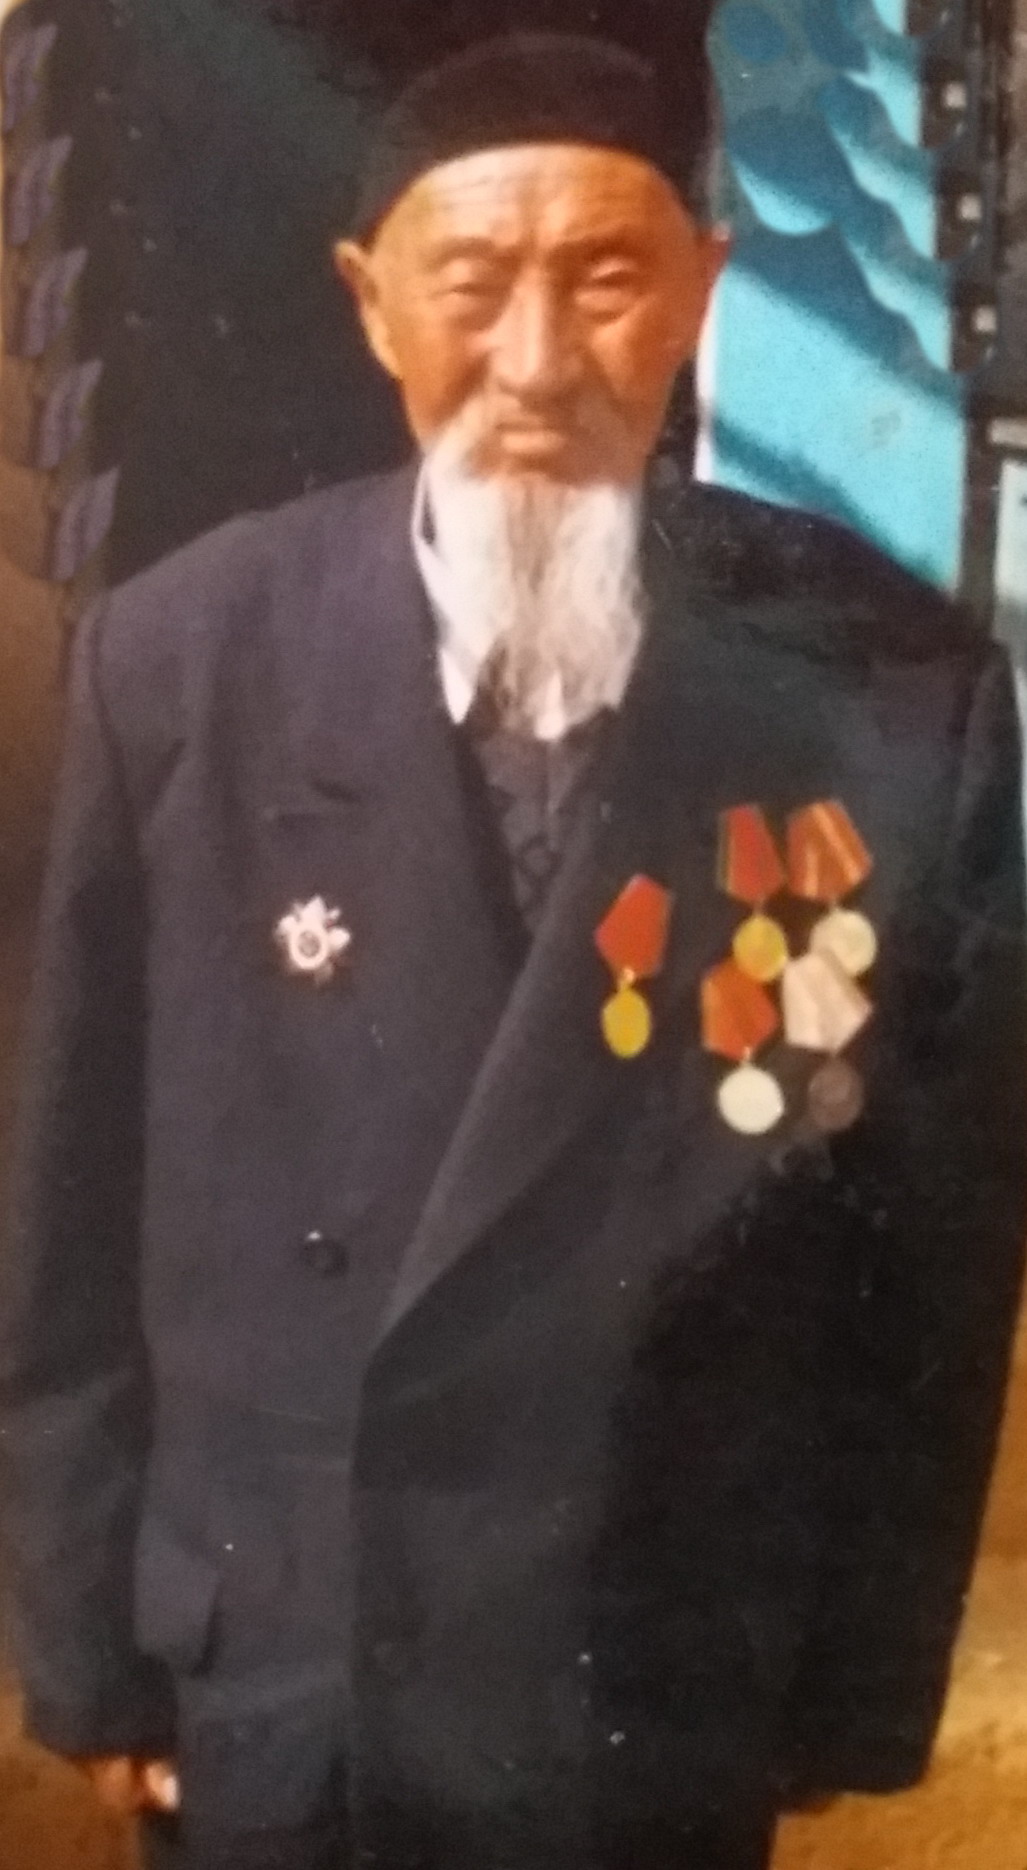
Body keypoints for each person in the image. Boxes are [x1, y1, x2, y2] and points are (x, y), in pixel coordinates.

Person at [1, 30, 1025, 1870]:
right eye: (472, 285)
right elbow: (71, 1203)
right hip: (285, 1666)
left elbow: (934, 1258)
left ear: (702, 288)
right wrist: (87, 1651)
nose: (540, 362)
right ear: (372, 304)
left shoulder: (887, 692)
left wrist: (850, 1684)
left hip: (651, 1667)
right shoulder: (181, 660)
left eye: (609, 277)